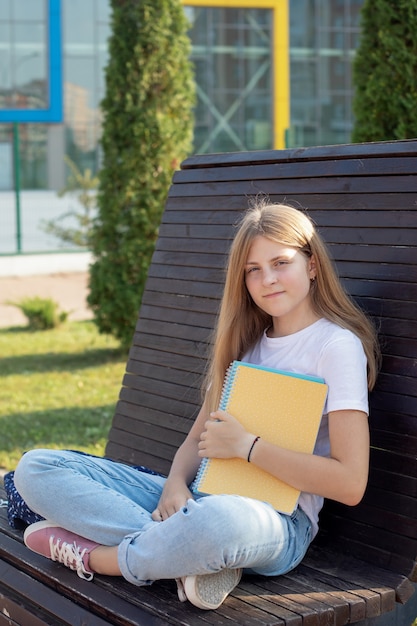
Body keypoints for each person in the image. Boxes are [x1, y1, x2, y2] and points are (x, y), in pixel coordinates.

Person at [14, 201, 380, 611]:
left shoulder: (336, 346)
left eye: (281, 263)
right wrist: (174, 485)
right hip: (200, 501)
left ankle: (100, 558)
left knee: (218, 521)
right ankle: (189, 560)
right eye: (253, 270)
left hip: (275, 522)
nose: (268, 279)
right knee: (36, 468)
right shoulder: (245, 345)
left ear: (312, 265)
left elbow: (350, 483)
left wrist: (247, 447)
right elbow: (195, 444)